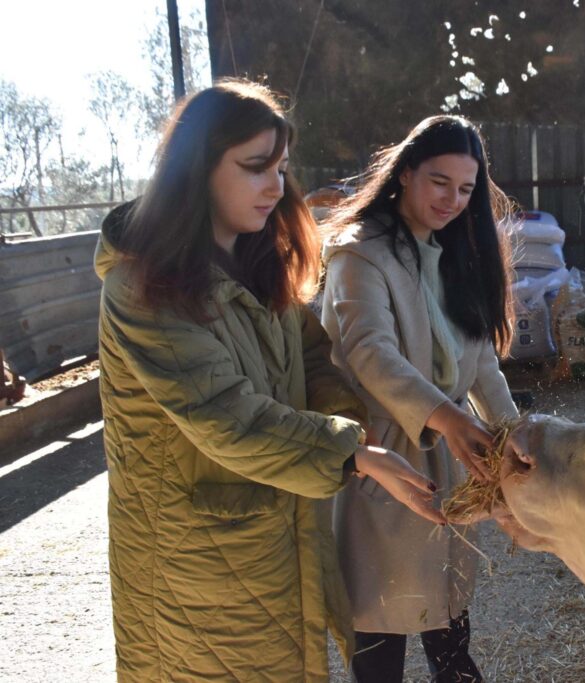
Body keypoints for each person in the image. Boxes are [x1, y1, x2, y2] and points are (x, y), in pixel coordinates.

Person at [95, 79, 444, 682]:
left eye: (280, 168)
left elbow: (313, 358)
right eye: (256, 167)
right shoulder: (140, 291)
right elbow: (226, 417)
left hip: (273, 542)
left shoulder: (260, 262)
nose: (276, 187)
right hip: (194, 566)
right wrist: (353, 454)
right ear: (195, 170)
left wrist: (352, 428)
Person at [320, 115, 520, 682]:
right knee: (378, 627)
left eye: (465, 188)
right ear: (404, 173)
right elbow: (370, 354)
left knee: (449, 621)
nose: (453, 200)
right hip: (385, 458)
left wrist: (515, 437)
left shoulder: (457, 254)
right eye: (439, 182)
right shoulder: (359, 254)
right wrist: (450, 418)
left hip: (447, 462)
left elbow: (481, 361)